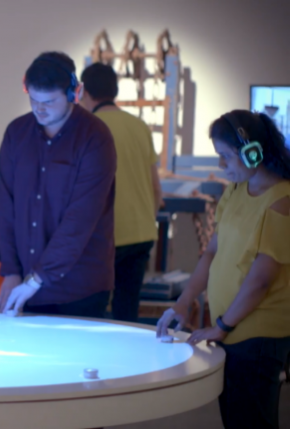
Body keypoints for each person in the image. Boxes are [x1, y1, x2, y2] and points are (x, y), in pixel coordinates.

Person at [157, 110, 290, 429]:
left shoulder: (281, 201)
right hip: (232, 329)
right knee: (235, 416)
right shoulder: (236, 190)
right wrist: (185, 299)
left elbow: (260, 280)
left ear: (252, 152)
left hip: (256, 335)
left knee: (251, 420)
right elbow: (212, 251)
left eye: (225, 157)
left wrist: (221, 327)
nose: (221, 166)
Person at [0, 52, 117, 318]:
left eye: (49, 101)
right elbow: (5, 207)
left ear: (75, 93)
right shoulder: (16, 133)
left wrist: (37, 279)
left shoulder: (95, 138)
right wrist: (12, 271)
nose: (39, 109)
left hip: (79, 289)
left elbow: (80, 219)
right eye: (33, 100)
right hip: (24, 285)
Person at [79, 63, 162, 322]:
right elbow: (155, 187)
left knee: (92, 310)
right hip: (141, 233)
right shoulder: (139, 126)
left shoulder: (87, 127)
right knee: (127, 313)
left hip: (105, 236)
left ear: (84, 92)